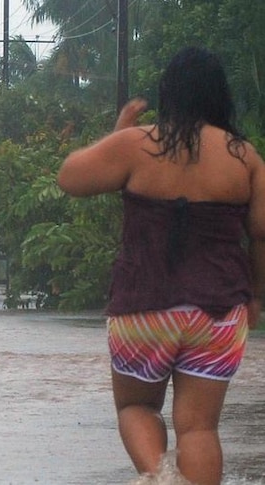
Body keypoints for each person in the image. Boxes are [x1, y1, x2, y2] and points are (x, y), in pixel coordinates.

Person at [57, 46, 265, 485]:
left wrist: (117, 135)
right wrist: (256, 297)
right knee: (200, 428)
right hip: (219, 312)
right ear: (219, 97)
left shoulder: (138, 144)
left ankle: (162, 479)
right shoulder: (246, 158)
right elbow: (262, 234)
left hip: (142, 307)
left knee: (137, 407)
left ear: (168, 93)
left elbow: (70, 178)